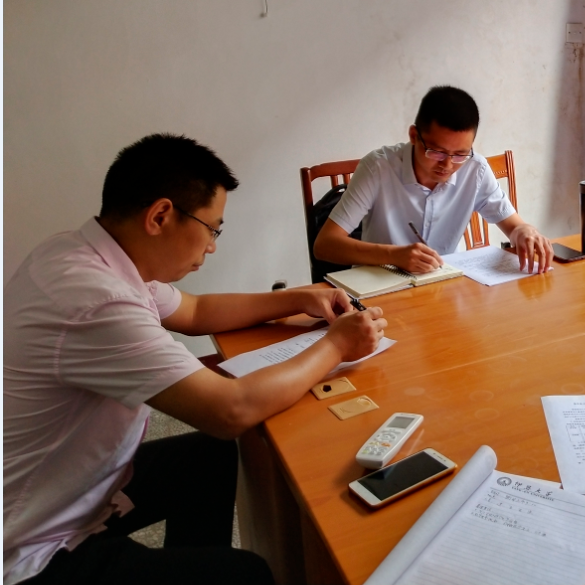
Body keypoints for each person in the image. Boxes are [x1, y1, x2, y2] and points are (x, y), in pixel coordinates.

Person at [3, 134, 388, 585]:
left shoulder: (84, 254)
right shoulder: (97, 300)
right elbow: (230, 410)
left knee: (207, 457)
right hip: (29, 547)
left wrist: (299, 298)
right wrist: (336, 346)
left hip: (69, 484)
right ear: (160, 216)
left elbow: (195, 311)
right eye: (212, 229)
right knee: (244, 575)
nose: (211, 246)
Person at [313, 85, 554, 275]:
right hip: (381, 286)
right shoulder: (378, 168)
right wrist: (394, 255)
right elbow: (325, 245)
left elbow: (515, 227)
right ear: (414, 136)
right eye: (437, 152)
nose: (447, 165)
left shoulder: (475, 169)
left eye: (459, 154)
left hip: (444, 283)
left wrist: (525, 232)